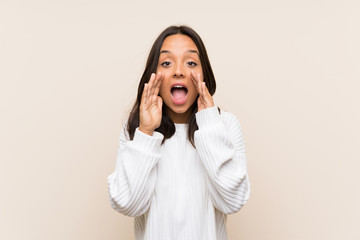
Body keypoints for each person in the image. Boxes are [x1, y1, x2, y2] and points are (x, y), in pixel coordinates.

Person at [107, 25, 250, 240]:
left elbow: (233, 200)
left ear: (204, 75)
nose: (179, 71)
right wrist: (146, 132)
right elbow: (128, 204)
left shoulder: (225, 125)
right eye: (166, 62)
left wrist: (209, 122)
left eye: (191, 62)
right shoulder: (137, 130)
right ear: (153, 75)